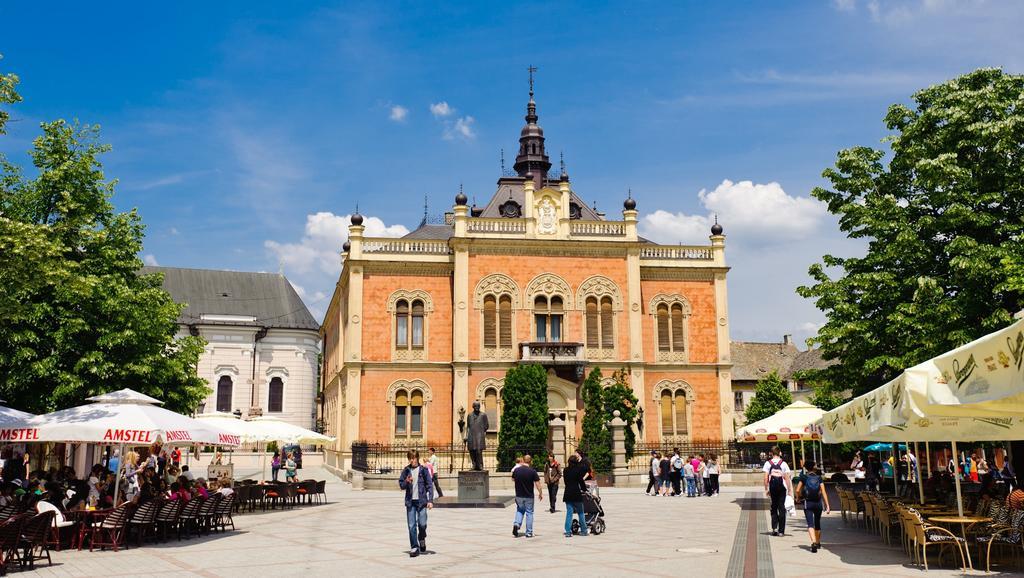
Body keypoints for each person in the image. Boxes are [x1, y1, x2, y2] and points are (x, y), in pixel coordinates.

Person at [399, 450, 434, 557]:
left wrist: (430, 500)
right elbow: (401, 485)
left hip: (422, 501)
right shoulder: (406, 470)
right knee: (411, 526)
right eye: (410, 458)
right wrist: (406, 482)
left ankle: (422, 538)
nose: (412, 460)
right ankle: (414, 547)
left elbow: (429, 485)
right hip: (410, 502)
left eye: (413, 458)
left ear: (417, 458)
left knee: (422, 524)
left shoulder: (423, 470)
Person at [795, 460, 830, 553]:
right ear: (814, 467)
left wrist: (798, 498)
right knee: (817, 522)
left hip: (808, 503)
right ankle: (818, 542)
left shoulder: (803, 477)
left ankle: (814, 542)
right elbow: (823, 492)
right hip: (818, 503)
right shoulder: (819, 478)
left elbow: (797, 490)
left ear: (806, 467)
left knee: (810, 524)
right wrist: (827, 505)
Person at [763, 446, 793, 537]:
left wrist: (766, 489)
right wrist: (790, 490)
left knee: (774, 507)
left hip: (773, 488)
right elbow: (787, 478)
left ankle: (774, 528)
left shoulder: (768, 463)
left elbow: (765, 478)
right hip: (782, 488)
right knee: (782, 508)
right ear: (779, 453)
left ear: (771, 453)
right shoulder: (783, 463)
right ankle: (781, 531)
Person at [511, 455, 542, 538]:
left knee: (520, 510)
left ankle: (516, 524)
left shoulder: (516, 470)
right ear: (530, 461)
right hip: (529, 495)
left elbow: (513, 479)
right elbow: (537, 483)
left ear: (523, 461)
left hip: (519, 495)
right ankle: (528, 532)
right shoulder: (532, 471)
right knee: (529, 513)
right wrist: (540, 493)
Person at [562, 454, 588, 538]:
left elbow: (566, 482)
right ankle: (584, 530)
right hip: (576, 493)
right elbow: (581, 481)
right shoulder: (578, 470)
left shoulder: (565, 470)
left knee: (569, 513)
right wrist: (584, 489)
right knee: (580, 512)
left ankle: (568, 532)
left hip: (568, 493)